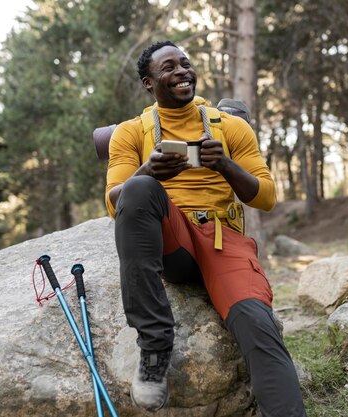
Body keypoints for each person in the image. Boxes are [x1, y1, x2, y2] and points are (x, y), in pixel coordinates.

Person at [105, 40, 307, 417]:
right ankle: (154, 346)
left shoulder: (230, 126)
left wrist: (226, 166)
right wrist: (148, 171)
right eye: (168, 68)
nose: (181, 71)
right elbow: (114, 201)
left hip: (223, 241)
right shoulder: (130, 133)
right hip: (173, 241)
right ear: (149, 83)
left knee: (257, 324)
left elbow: (265, 197)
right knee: (137, 187)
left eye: (185, 63)